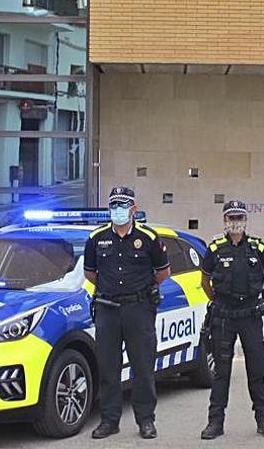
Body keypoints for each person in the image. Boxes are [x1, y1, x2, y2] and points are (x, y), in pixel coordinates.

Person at [84, 186, 170, 440]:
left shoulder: (149, 237)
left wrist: (141, 289)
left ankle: (146, 420)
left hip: (138, 309)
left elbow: (163, 272)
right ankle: (109, 420)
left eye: (123, 206)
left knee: (143, 367)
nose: (118, 211)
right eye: (114, 206)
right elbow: (90, 273)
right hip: (107, 309)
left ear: (133, 209)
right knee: (108, 368)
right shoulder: (96, 238)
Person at [199, 199, 264, 439]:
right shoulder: (215, 249)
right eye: (231, 218)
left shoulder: (257, 248)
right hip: (224, 316)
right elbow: (205, 282)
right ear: (224, 220)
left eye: (239, 217)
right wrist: (220, 302)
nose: (236, 222)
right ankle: (215, 422)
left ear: (245, 219)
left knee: (257, 369)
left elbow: (263, 276)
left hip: (250, 316)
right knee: (221, 372)